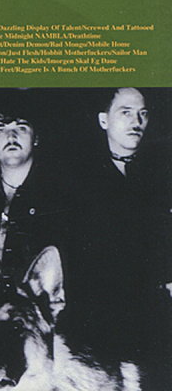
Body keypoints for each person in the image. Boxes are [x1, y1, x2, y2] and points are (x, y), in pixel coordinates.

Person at [66, 88, 171, 390]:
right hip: (102, 323)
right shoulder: (79, 180)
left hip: (159, 321)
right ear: (104, 120)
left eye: (142, 114)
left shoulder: (162, 172)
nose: (136, 121)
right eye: (126, 112)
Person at [0, 112, 69, 288]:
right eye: (1, 130)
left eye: (21, 128)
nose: (11, 137)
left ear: (36, 138)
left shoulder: (63, 198)